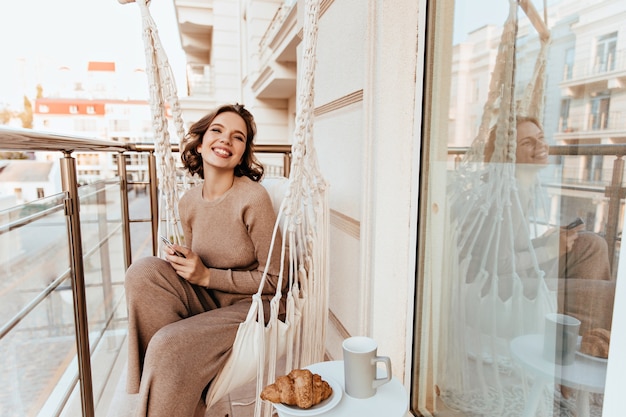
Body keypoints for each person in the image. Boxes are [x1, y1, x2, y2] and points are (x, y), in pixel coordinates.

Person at [124, 103, 285, 417]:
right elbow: (199, 263)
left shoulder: (253, 198)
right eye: (217, 130)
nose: (226, 140)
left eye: (238, 137)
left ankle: (173, 390)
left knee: (168, 345)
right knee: (142, 273)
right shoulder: (188, 202)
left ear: (242, 154)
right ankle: (181, 397)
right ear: (200, 143)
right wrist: (186, 263)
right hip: (209, 300)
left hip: (252, 305)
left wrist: (208, 276)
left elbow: (277, 280)